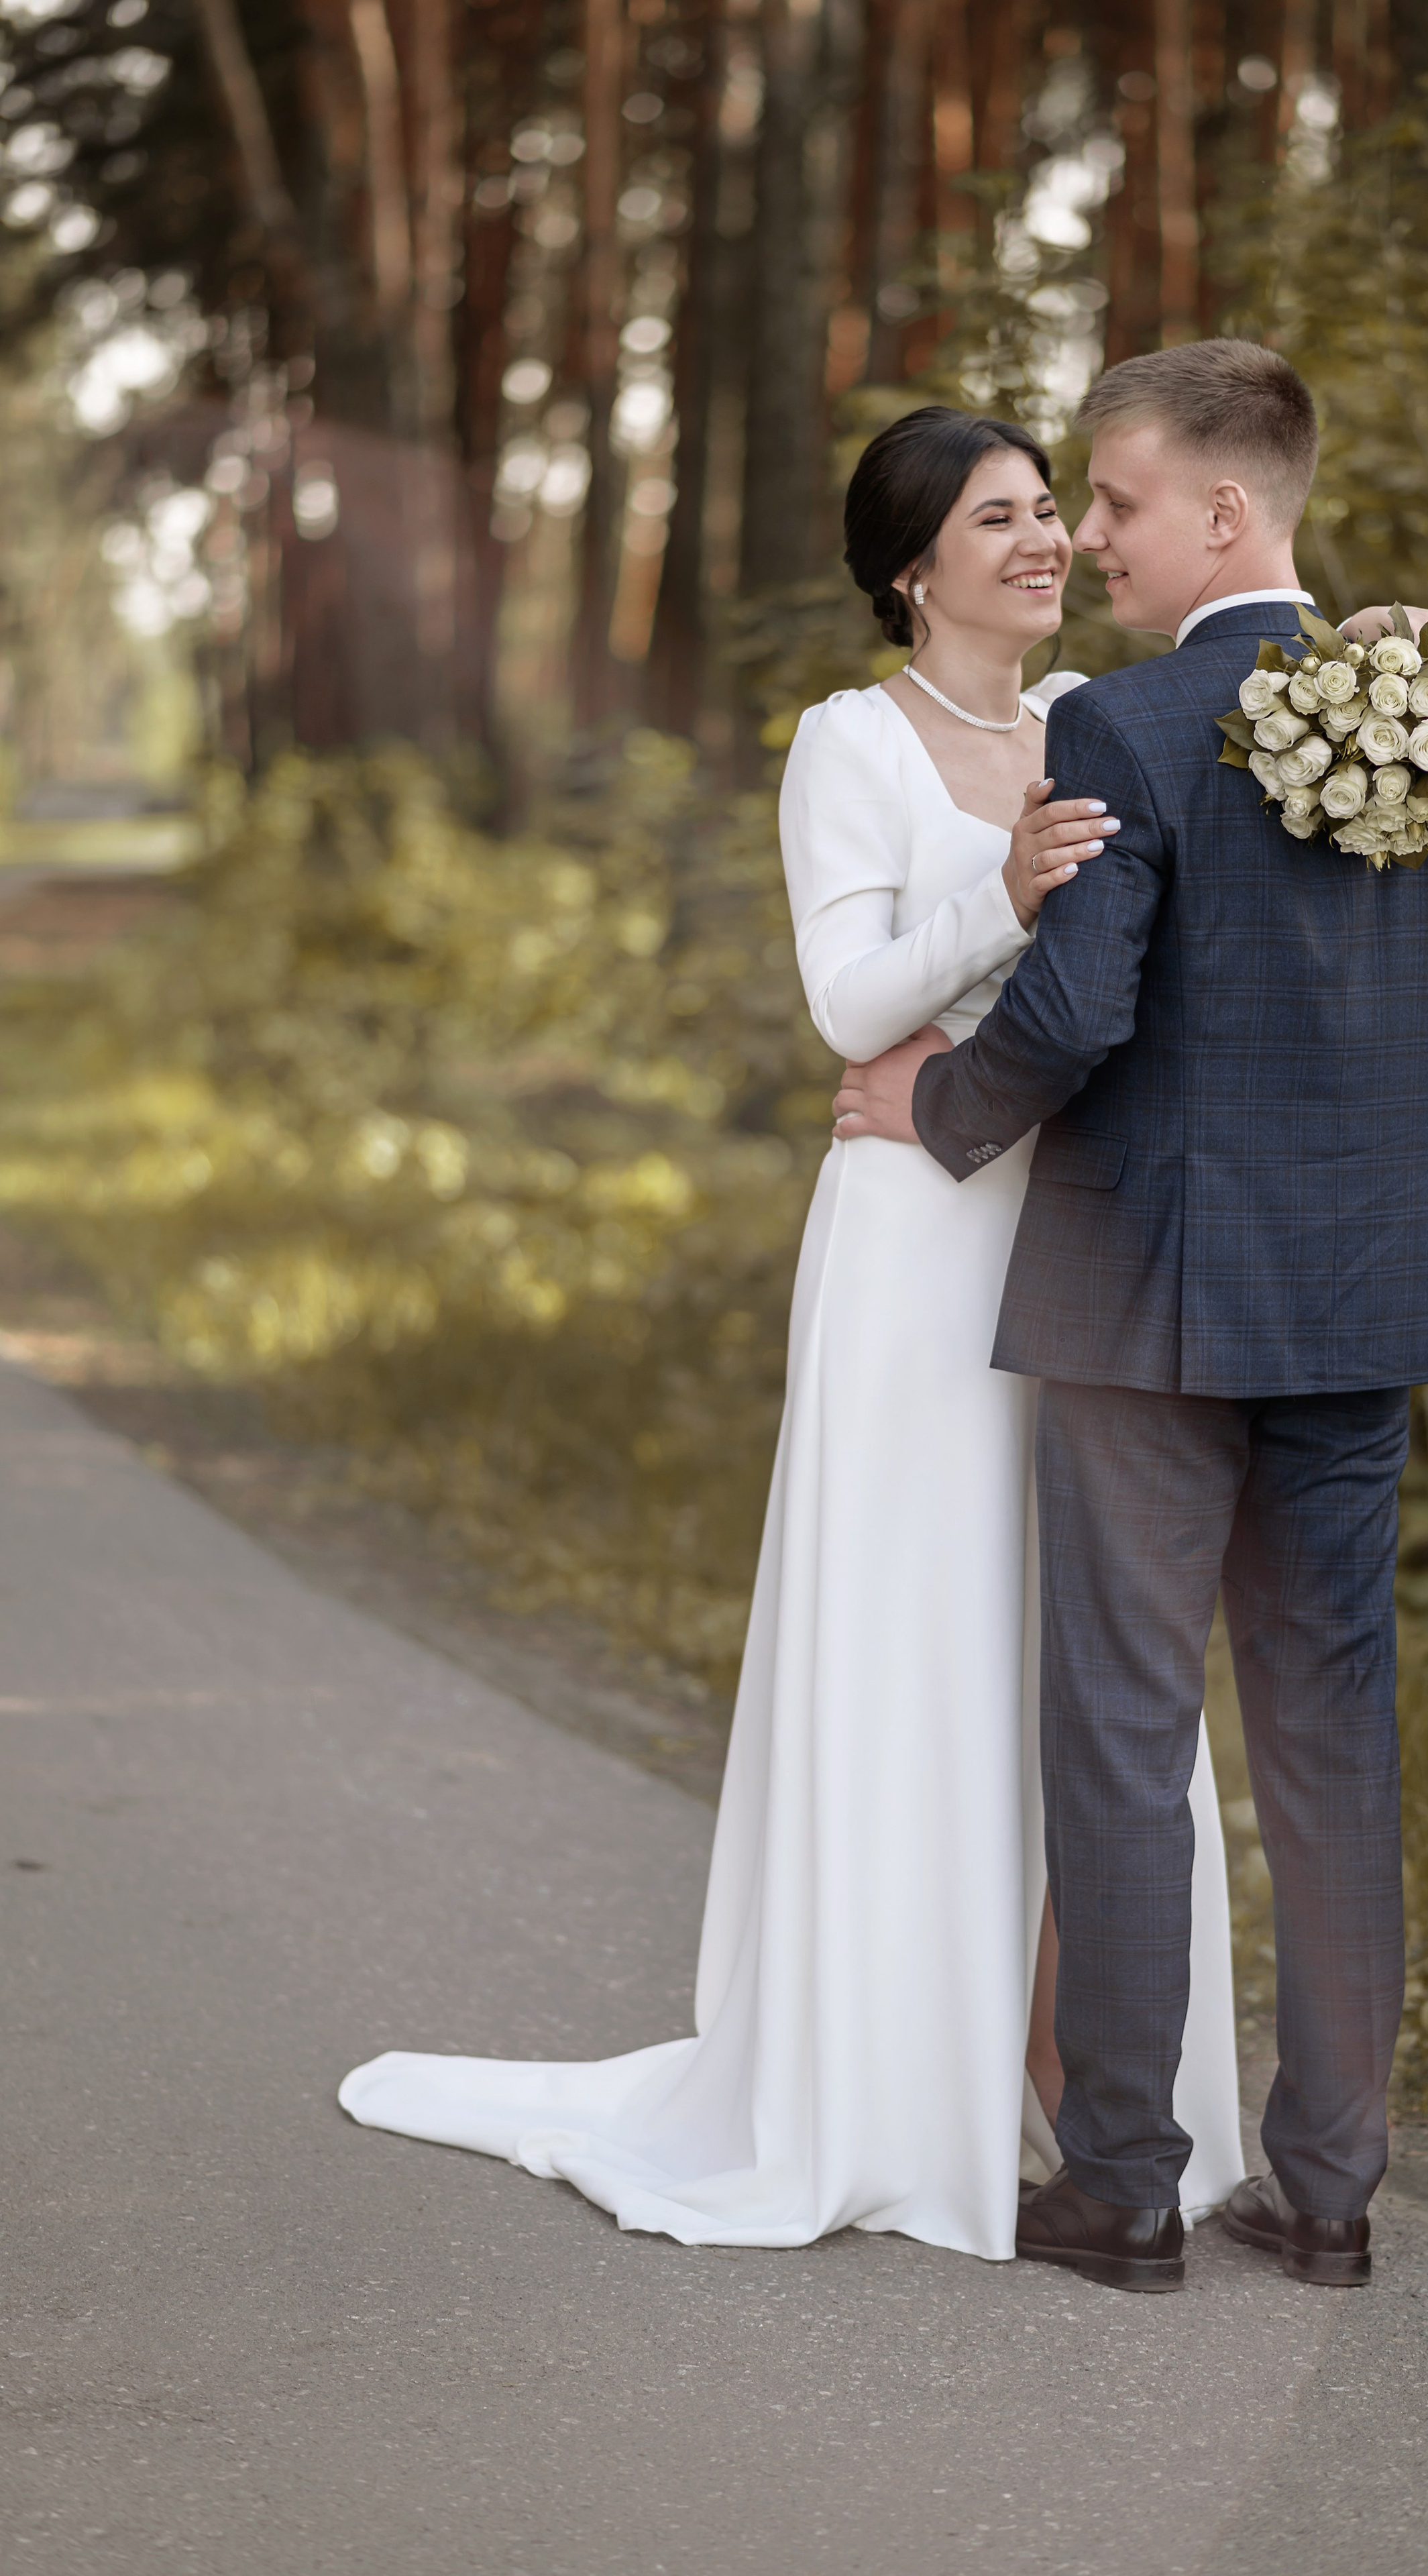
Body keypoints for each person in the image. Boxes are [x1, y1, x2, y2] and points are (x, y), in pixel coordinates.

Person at [338, 405, 1247, 2259]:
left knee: (1088, 1653)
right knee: (929, 1634)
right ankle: (897, 2083)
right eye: (996, 519)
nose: (1045, 541)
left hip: (1083, 1227)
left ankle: (1098, 2087)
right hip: (918, 1240)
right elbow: (847, 1002)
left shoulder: (1102, 719)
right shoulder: (851, 742)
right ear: (911, 568)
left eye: (1050, 510)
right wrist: (997, 892)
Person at [835, 342, 1428, 2292]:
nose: (1090, 533)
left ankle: (1125, 2186)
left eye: (1119, 498)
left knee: (1125, 1734)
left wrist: (935, 1109)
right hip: (1351, 1314)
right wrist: (1403, 1236)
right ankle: (1326, 2195)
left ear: (1226, 512)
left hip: (1140, 1309)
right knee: (1333, 1743)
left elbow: (1078, 1010)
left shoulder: (1128, 726)